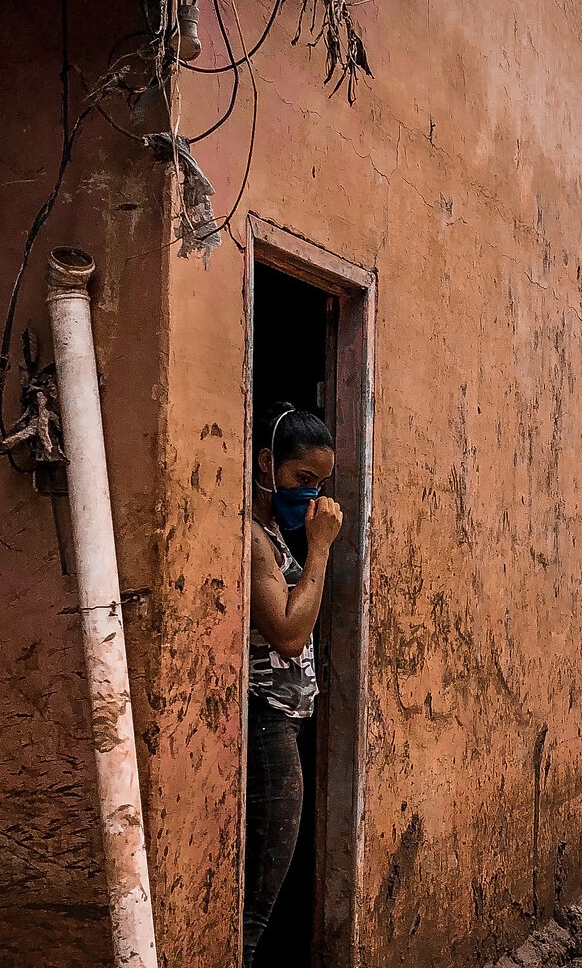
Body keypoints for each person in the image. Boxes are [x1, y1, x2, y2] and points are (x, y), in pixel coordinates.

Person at [243, 402, 342, 966]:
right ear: (266, 463)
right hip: (264, 725)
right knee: (256, 900)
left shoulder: (277, 535)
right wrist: (322, 547)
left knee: (265, 893)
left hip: (282, 723)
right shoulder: (255, 538)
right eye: (303, 479)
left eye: (321, 484)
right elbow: (286, 633)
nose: (313, 495)